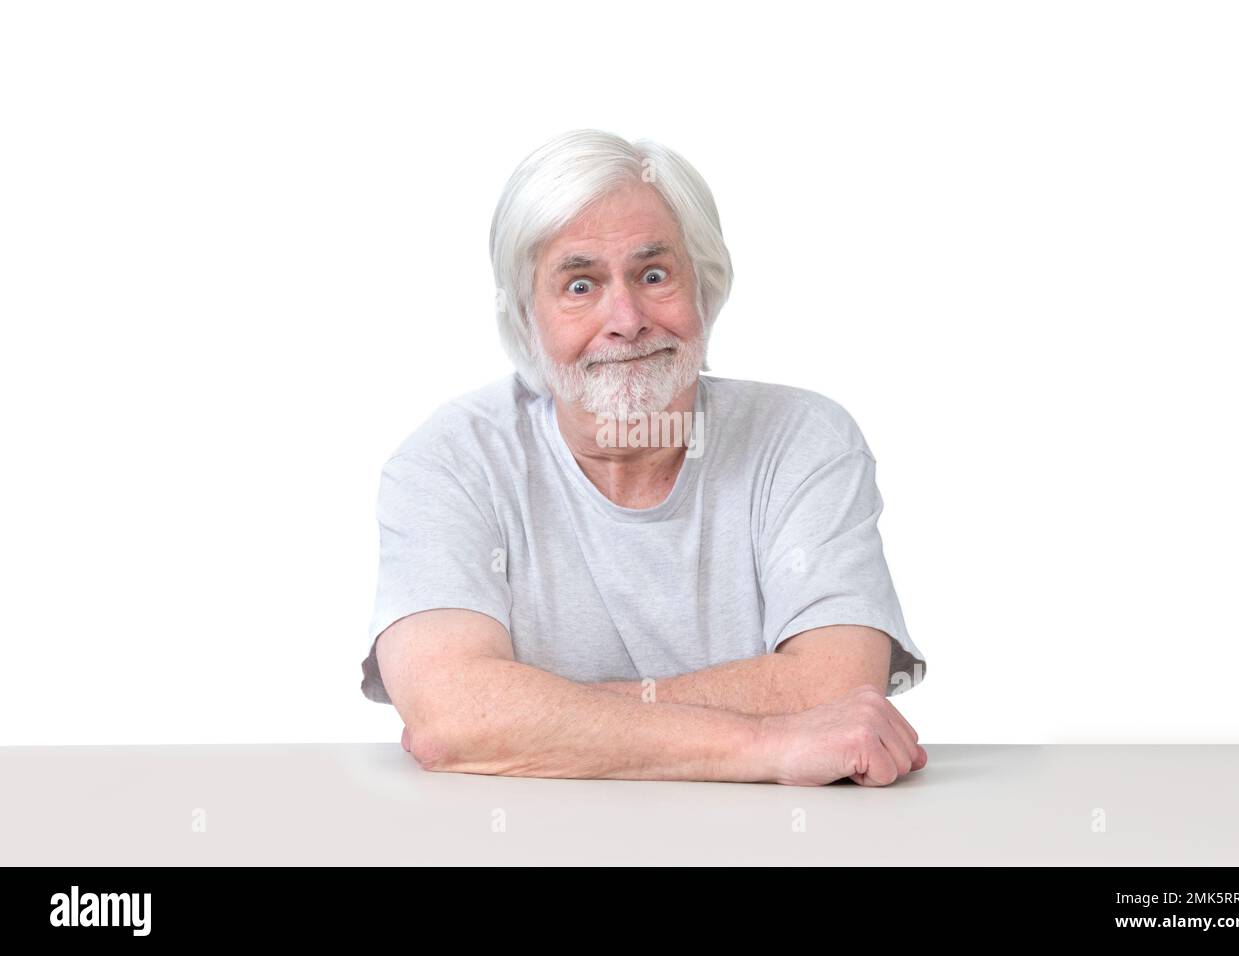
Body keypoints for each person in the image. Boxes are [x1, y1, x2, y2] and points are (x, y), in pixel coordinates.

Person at [360, 129, 928, 786]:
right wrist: (767, 743)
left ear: (705, 288)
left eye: (653, 275)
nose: (626, 318)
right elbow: (452, 712)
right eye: (579, 285)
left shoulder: (805, 440)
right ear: (526, 317)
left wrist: (532, 714)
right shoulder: (447, 462)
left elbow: (839, 686)